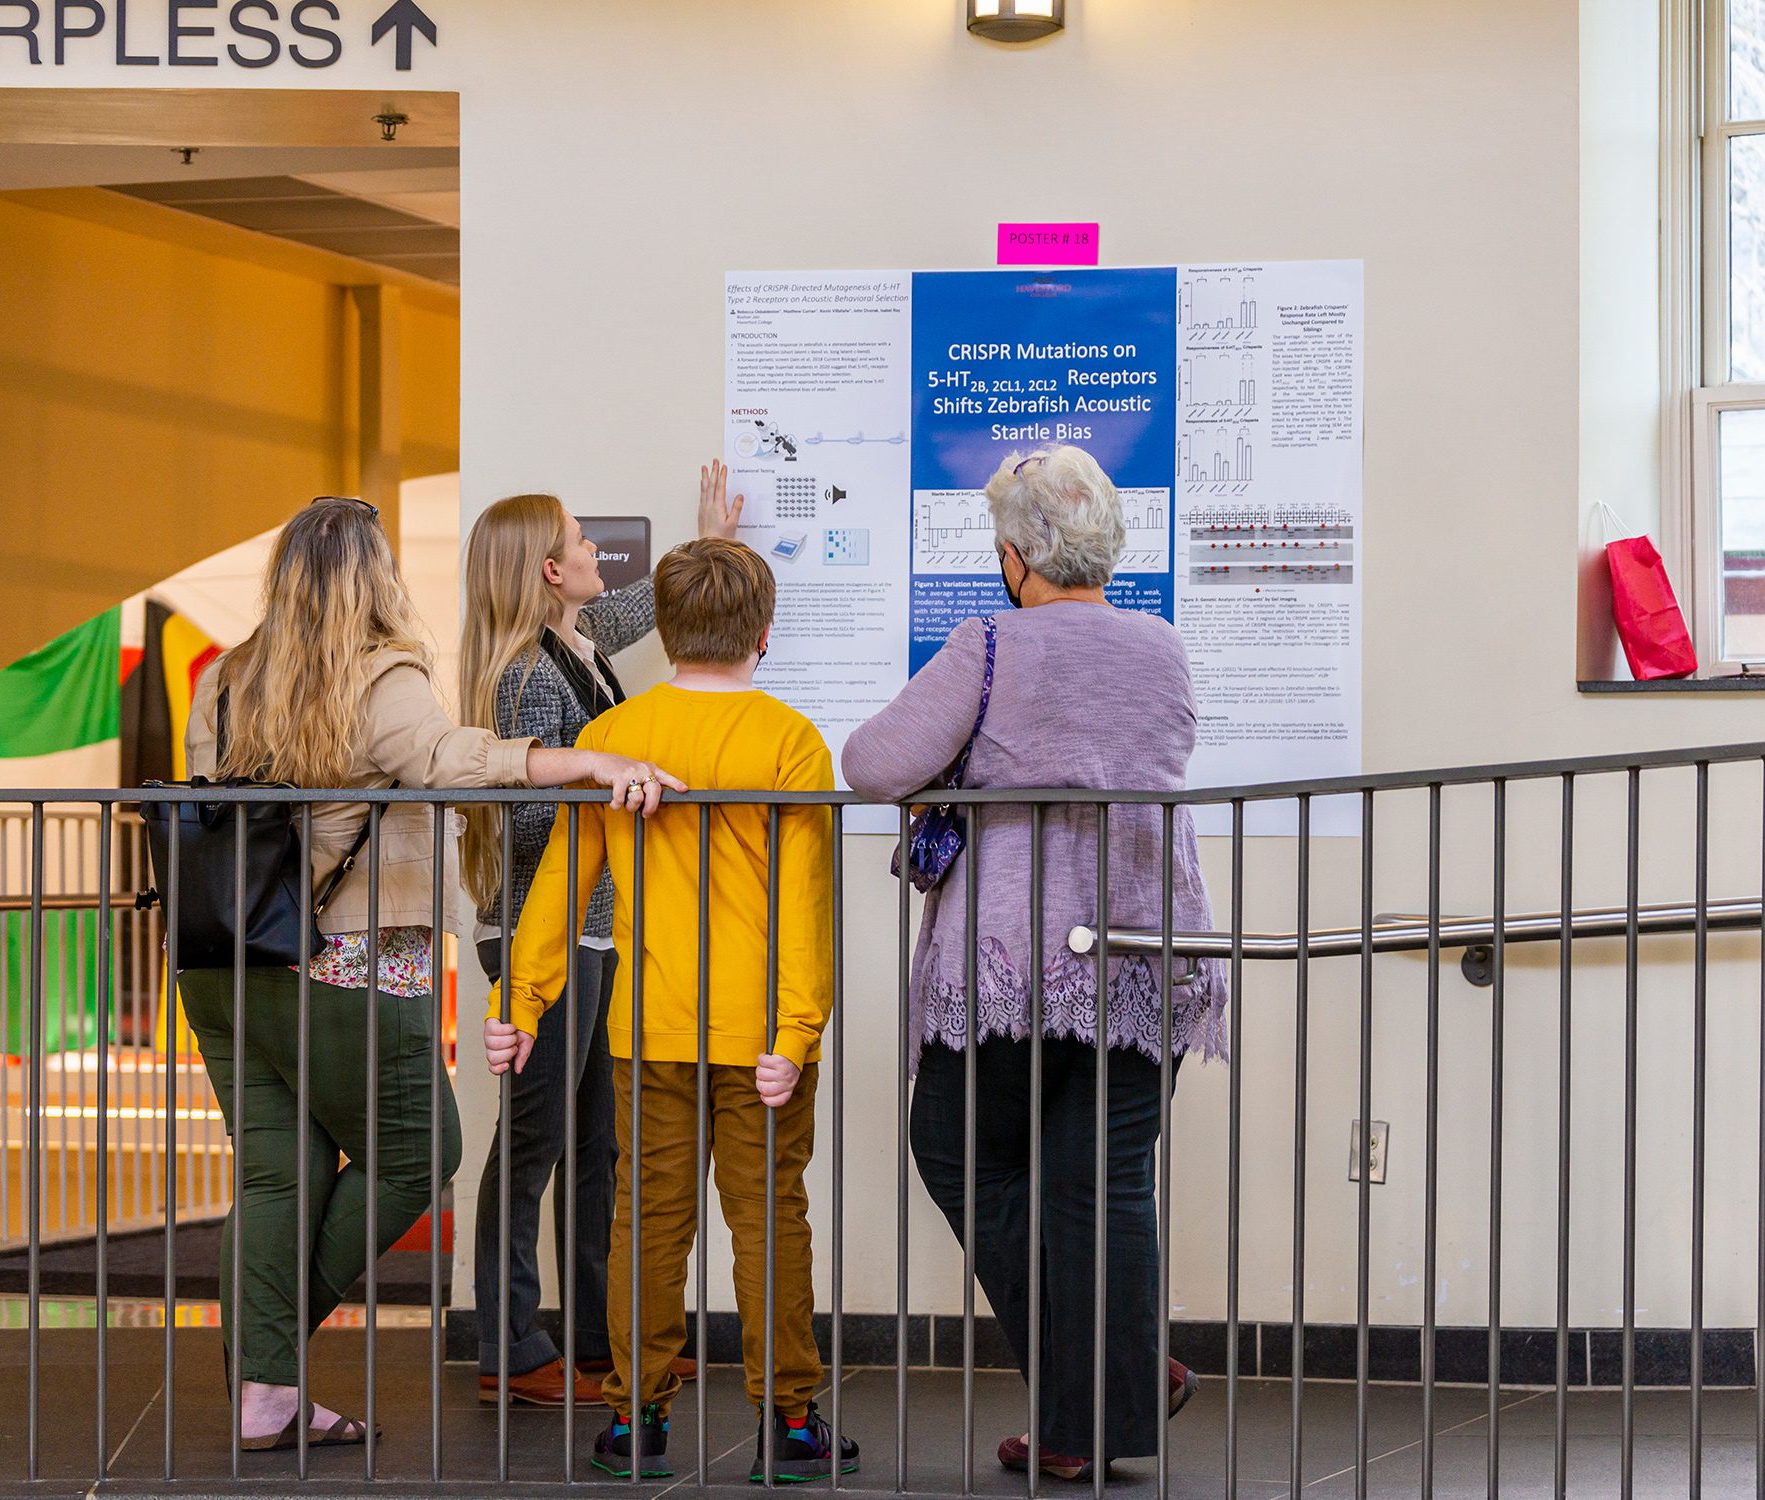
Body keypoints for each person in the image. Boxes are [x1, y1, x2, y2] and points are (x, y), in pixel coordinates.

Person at [178, 496, 680, 1451]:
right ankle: (262, 1352)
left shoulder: (226, 679)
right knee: (418, 1154)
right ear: (376, 577)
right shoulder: (380, 673)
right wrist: (581, 761)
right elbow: (452, 758)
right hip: (350, 960)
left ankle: (266, 1389)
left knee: (278, 1176)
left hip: (225, 963)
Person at [839, 445, 1229, 1482]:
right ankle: (1098, 1411)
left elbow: (872, 761)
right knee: (1102, 1187)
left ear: (1015, 556)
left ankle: (1108, 1388)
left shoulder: (993, 644)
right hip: (1147, 941)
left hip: (1011, 953)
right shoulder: (1162, 645)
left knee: (960, 1149)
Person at [484, 538, 858, 1483]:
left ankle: (635, 1423)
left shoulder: (620, 735)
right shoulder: (792, 742)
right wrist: (797, 1032)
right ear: (763, 635)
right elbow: (804, 900)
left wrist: (521, 1001)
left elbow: (565, 883)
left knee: (646, 1221)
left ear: (671, 628)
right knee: (770, 1215)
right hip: (761, 1032)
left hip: (647, 1027)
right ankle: (792, 1425)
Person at [460, 465, 742, 1406]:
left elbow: (642, 610)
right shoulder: (529, 678)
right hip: (543, 941)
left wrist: (710, 544)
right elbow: (545, 830)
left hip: (586, 937)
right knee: (537, 1140)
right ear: (547, 571)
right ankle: (508, 1345)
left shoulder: (572, 645)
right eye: (582, 543)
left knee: (595, 1144)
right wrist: (615, 790)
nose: (596, 554)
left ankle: (595, 1339)